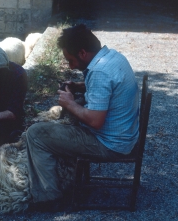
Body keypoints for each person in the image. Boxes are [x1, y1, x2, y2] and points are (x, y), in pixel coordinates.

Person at [25, 24, 139, 211]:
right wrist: (79, 86)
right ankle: (62, 181)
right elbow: (109, 87)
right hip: (126, 136)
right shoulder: (112, 57)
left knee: (35, 134)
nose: (71, 66)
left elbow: (95, 121)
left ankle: (48, 198)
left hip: (111, 145)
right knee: (65, 117)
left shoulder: (99, 72)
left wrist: (70, 103)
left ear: (83, 52)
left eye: (71, 60)